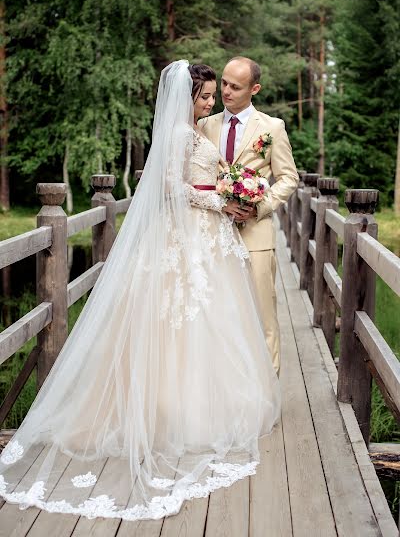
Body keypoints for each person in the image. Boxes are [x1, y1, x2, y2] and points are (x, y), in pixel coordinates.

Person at [0, 61, 280, 522]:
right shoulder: (175, 136)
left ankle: (200, 403)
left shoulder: (191, 131)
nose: (210, 103)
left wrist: (231, 193)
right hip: (189, 233)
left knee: (205, 319)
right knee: (182, 316)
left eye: (213, 96)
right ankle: (173, 413)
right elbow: (170, 183)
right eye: (204, 96)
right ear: (186, 96)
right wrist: (218, 200)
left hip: (204, 234)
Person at [199, 57, 298, 374]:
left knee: (262, 315)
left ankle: (269, 392)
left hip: (256, 235)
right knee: (217, 314)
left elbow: (288, 178)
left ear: (254, 89)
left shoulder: (272, 128)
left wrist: (259, 205)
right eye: (224, 83)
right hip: (212, 233)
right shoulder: (204, 125)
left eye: (234, 86)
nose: (225, 91)